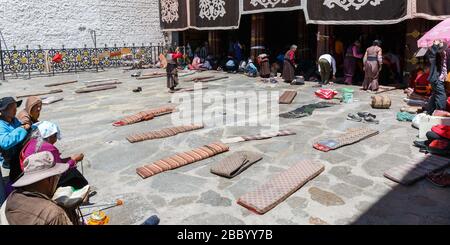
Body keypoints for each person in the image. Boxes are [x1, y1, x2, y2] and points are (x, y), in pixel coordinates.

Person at [1, 151, 79, 225]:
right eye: (57, 176)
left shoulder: (12, 197)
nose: (57, 180)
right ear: (48, 179)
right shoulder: (54, 214)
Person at [20, 121, 87, 189]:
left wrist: (69, 159)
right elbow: (60, 171)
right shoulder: (49, 148)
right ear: (51, 136)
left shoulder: (31, 142)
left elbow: (53, 162)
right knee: (73, 172)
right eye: (55, 136)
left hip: (30, 177)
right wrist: (73, 160)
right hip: (43, 180)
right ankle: (84, 189)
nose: (56, 139)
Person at [0, 97, 30, 183]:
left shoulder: (14, 120)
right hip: (9, 161)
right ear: (2, 111)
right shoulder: (1, 125)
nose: (15, 110)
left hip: (19, 154)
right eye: (11, 108)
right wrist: (22, 129)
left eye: (15, 107)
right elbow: (5, 142)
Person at [426, 40, 448, 115]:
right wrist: (435, 45)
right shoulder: (433, 52)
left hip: (441, 77)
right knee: (441, 94)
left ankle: (429, 111)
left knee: (435, 93)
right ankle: (440, 111)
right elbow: (432, 56)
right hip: (436, 77)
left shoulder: (444, 51)